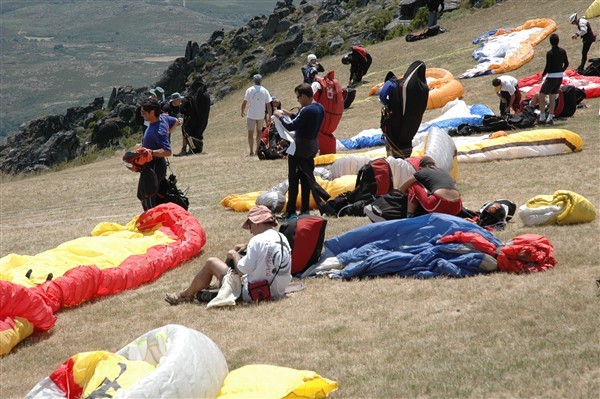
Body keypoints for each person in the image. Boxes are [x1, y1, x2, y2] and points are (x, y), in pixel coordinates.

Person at [164, 205, 292, 305]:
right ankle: (213, 286)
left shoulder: (257, 240)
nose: (250, 230)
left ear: (257, 222)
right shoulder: (281, 238)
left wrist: (234, 255)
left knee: (211, 262)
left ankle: (185, 295)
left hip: (256, 293)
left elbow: (242, 270)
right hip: (278, 291)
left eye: (250, 224)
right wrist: (248, 246)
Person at [274, 83, 329, 219]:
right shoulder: (319, 107)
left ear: (304, 96)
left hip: (300, 147)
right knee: (306, 178)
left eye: (298, 97)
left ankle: (290, 210)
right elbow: (302, 120)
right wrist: (289, 113)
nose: (298, 100)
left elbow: (291, 126)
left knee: (293, 179)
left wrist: (279, 116)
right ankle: (305, 209)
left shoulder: (306, 110)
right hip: (312, 145)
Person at [138, 97, 180, 210]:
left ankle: (155, 222)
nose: (142, 114)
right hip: (150, 166)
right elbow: (176, 121)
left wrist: (150, 152)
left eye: (143, 112)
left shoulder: (159, 131)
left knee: (149, 198)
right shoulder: (163, 118)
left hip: (155, 166)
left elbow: (167, 152)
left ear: (152, 112)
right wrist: (169, 132)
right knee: (142, 194)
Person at [529, 33, 569, 125]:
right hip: (559, 77)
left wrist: (542, 75)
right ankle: (550, 117)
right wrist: (561, 71)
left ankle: (542, 116)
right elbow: (566, 63)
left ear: (550, 42)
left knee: (541, 95)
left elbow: (548, 66)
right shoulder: (562, 51)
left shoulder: (549, 53)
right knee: (552, 96)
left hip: (551, 77)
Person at [241, 74, 273, 156]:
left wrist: (242, 111)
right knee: (259, 132)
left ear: (253, 81)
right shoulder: (265, 90)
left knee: (250, 133)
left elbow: (244, 102)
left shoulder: (249, 90)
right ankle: (257, 150)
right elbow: (269, 104)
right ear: (261, 80)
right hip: (261, 115)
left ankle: (251, 151)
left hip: (251, 114)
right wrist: (269, 115)